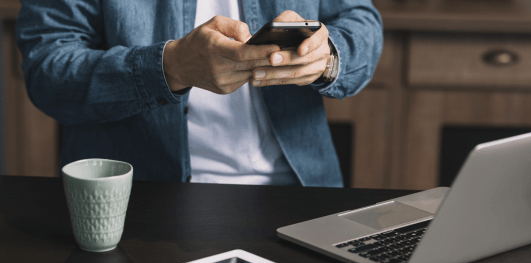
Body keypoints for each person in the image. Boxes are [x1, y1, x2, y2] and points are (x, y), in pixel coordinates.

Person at [16, 0, 383, 187]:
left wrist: (327, 57)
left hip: (298, 194)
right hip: (140, 206)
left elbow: (360, 22)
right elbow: (48, 69)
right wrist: (168, 67)